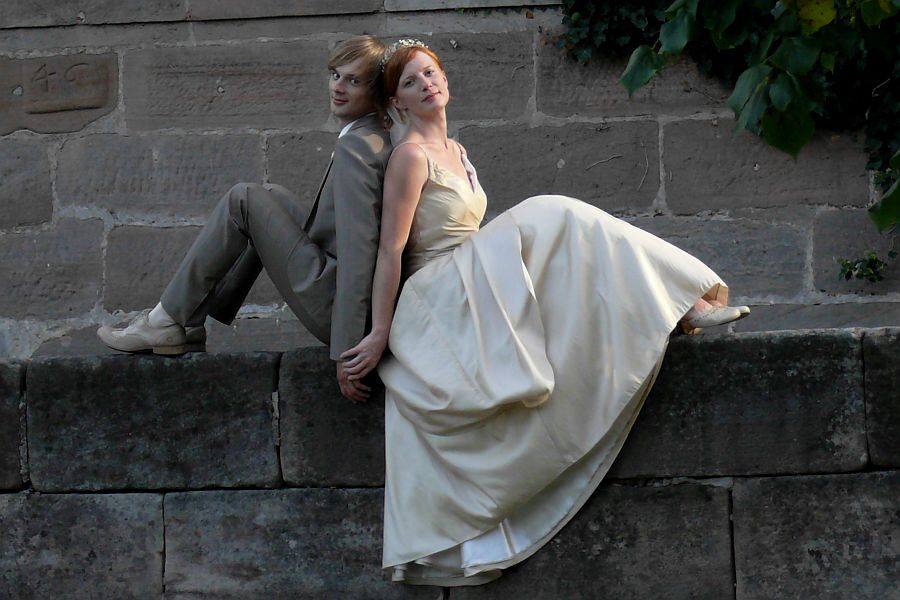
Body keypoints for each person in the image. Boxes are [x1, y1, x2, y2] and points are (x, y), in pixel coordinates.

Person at [338, 40, 750, 586]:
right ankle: (683, 301)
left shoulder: (457, 151)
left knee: (563, 241)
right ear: (399, 102)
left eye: (432, 73)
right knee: (555, 214)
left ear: (447, 82)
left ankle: (674, 307)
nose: (427, 85)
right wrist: (381, 332)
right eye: (413, 82)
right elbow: (391, 251)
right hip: (437, 291)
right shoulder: (410, 156)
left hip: (468, 277)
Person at [97, 35, 392, 402]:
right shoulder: (374, 137)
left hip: (334, 308)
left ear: (378, 91)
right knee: (270, 196)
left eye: (354, 80)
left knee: (245, 199)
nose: (338, 87)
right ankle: (189, 314)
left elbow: (361, 252)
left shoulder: (358, 147)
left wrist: (347, 350)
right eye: (334, 75)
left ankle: (167, 321)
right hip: (339, 293)